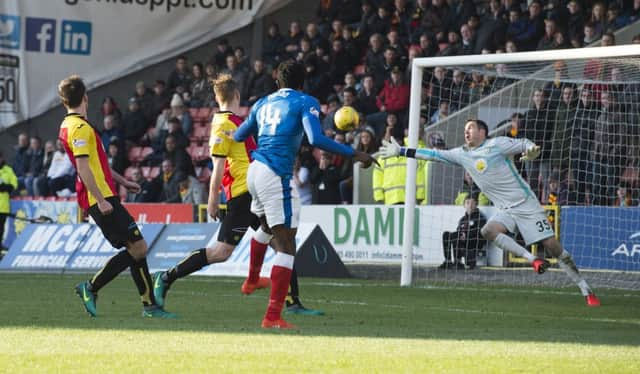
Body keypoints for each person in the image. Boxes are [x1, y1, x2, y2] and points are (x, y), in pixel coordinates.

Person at [152, 74, 323, 317]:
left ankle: (292, 302)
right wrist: (212, 199)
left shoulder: (235, 120)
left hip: (255, 191)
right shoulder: (223, 124)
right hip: (242, 195)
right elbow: (218, 165)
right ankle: (166, 277)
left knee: (283, 243)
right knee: (221, 252)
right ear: (237, 96)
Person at [380, 119, 601, 306]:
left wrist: (532, 150)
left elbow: (524, 144)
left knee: (553, 246)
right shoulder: (462, 154)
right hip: (505, 209)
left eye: (471, 128)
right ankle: (533, 259)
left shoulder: (497, 144)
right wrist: (401, 151)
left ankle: (585, 289)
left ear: (482, 132)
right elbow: (434, 154)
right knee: (488, 231)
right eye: (465, 129)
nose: (466, 131)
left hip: (525, 204)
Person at [233, 61, 377, 329]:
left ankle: (252, 279)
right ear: (302, 83)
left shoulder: (262, 102)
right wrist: (354, 153)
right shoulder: (305, 101)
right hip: (275, 173)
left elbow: (240, 135)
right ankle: (273, 316)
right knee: (287, 245)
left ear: (278, 81)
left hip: (255, 170)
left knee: (265, 226)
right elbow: (315, 138)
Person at [57, 76, 175, 318]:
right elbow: (83, 168)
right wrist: (100, 199)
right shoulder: (78, 128)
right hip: (100, 198)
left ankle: (149, 305)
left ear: (63, 101)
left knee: (136, 247)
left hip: (104, 194)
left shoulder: (72, 125)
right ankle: (91, 287)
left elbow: (96, 164)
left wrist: (122, 181)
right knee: (139, 247)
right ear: (86, 98)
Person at [439, 195, 487, 270]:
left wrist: (466, 235)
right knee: (446, 234)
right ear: (464, 205)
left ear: (476, 204)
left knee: (456, 235)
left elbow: (481, 232)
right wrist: (462, 235)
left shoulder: (480, 217)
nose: (470, 205)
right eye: (467, 203)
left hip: (473, 242)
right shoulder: (463, 219)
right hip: (461, 240)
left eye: (472, 203)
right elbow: (459, 230)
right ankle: (448, 261)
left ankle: (458, 262)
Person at [0, 151, 18, 255]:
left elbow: (14, 185)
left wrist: (4, 187)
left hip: (3, 206)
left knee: (0, 229)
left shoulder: (8, 170)